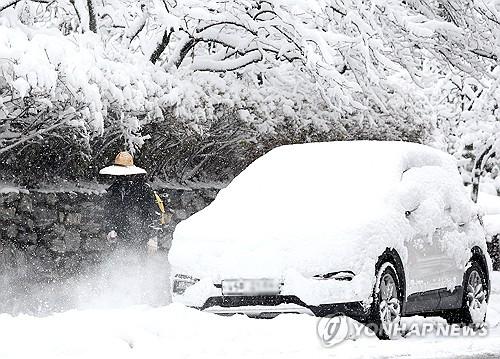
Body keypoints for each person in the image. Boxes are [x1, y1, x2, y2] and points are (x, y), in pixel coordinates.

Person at [99, 151, 170, 253]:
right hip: (121, 239)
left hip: (141, 238)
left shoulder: (144, 190)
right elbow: (109, 213)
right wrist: (110, 230)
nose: (121, 177)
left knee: (140, 266)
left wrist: (152, 237)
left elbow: (154, 213)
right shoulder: (113, 191)